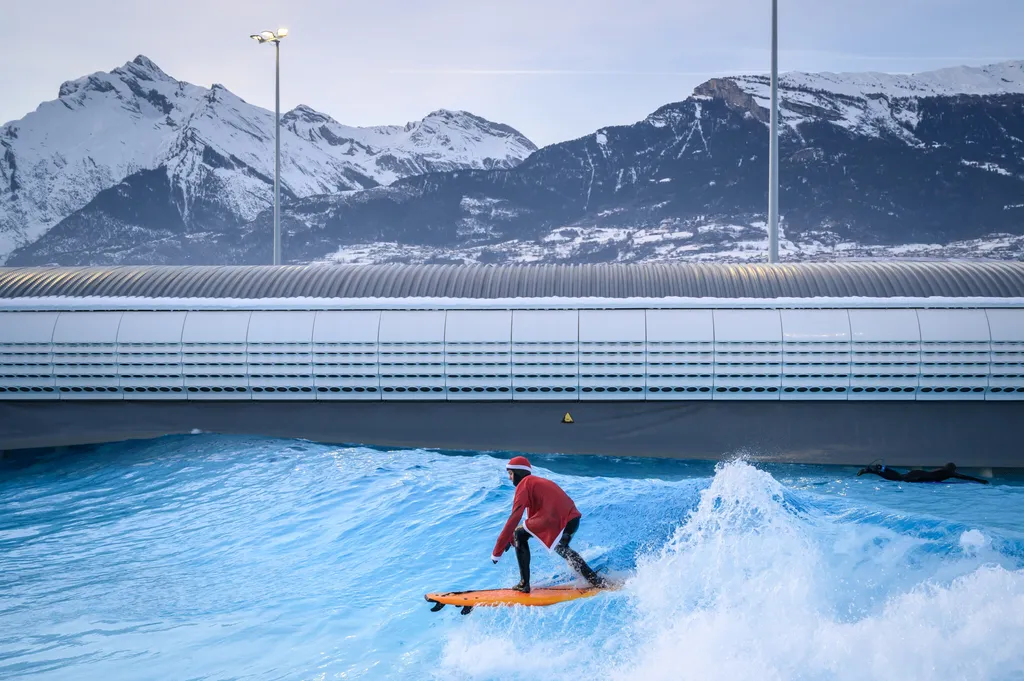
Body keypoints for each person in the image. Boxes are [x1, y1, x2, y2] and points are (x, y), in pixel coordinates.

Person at [491, 456, 607, 593]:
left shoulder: (524, 484)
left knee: (519, 534)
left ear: (519, 473)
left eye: (511, 474)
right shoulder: (537, 482)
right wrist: (510, 540)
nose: (510, 478)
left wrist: (497, 551)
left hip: (556, 518)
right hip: (573, 519)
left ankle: (524, 584)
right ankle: (594, 579)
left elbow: (515, 517)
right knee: (561, 547)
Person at [857, 462, 989, 484]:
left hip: (919, 473)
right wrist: (979, 480)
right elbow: (964, 477)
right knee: (898, 480)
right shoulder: (950, 473)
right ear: (953, 469)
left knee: (899, 477)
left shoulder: (941, 470)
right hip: (920, 477)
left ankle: (879, 469)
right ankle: (877, 470)